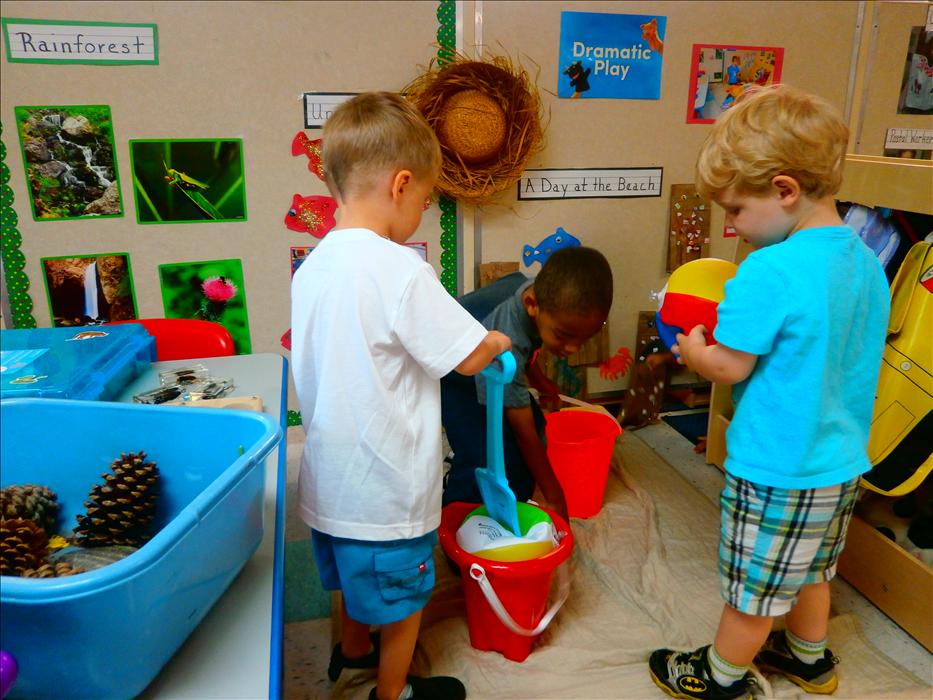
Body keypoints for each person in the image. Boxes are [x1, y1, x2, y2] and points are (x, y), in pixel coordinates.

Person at [648, 84, 889, 699]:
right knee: (811, 570)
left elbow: (729, 366)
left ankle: (721, 676)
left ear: (784, 190)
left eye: (734, 211)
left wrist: (695, 349)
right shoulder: (865, 259)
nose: (730, 226)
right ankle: (809, 658)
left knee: (751, 587)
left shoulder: (769, 269)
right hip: (838, 462)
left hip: (777, 465)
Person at [290, 91, 511, 700]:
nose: (422, 210)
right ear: (401, 184)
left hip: (329, 482)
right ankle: (392, 692)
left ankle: (350, 651)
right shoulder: (400, 270)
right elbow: (464, 355)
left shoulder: (312, 268)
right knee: (402, 598)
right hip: (385, 491)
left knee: (349, 582)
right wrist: (492, 338)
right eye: (425, 198)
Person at [441, 246, 614, 522]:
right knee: (483, 453)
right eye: (564, 335)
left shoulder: (538, 293)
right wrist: (554, 494)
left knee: (535, 429)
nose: (572, 348)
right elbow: (525, 434)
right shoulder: (508, 335)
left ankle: (514, 503)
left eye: (584, 339)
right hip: (454, 376)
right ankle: (456, 520)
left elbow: (527, 350)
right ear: (533, 305)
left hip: (490, 365)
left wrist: (542, 381)